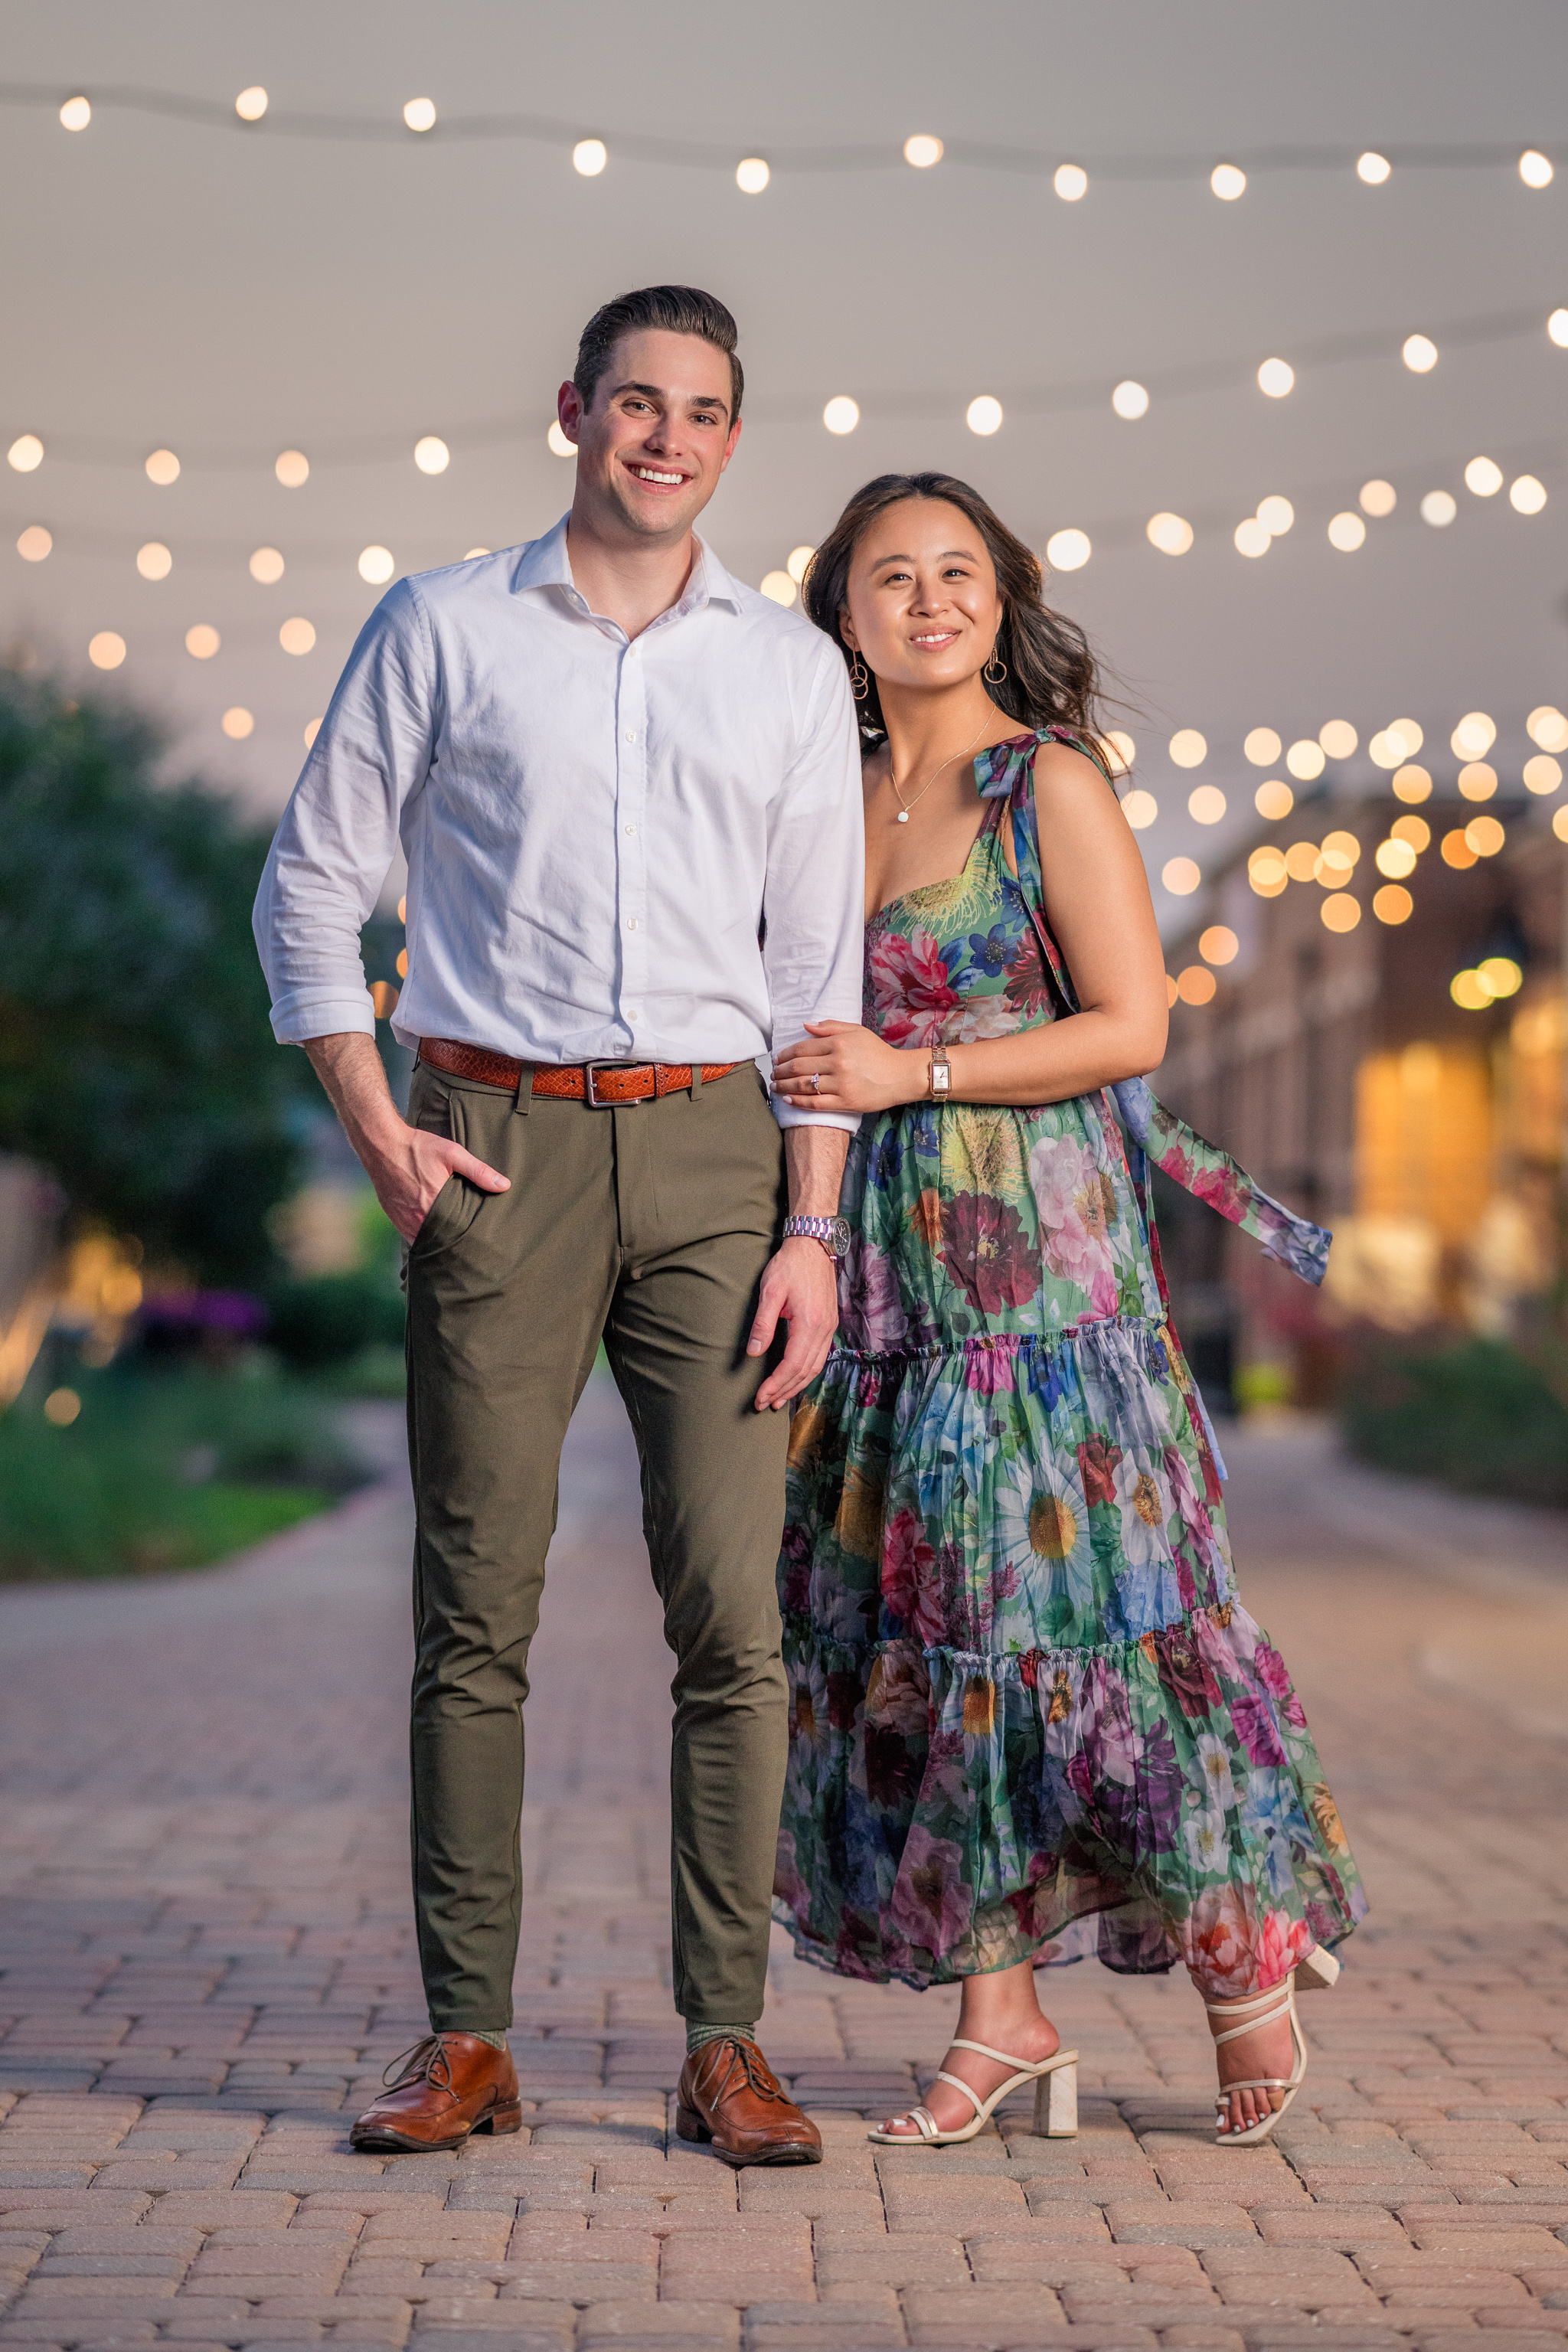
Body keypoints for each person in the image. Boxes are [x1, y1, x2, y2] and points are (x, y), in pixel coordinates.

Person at [253, 286, 867, 2167]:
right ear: (573, 412)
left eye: (701, 411)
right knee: (474, 1615)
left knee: (732, 1624)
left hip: (714, 1159)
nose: (665, 437)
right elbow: (309, 888)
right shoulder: (440, 625)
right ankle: (466, 2039)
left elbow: (814, 980)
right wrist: (378, 1131)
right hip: (489, 1143)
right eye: (635, 402)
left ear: (731, 440)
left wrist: (814, 1230)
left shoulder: (786, 669)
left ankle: (724, 2044)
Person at [769, 472, 1365, 2149]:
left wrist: (913, 1071)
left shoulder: (1046, 782)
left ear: (1002, 597)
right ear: (842, 613)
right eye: (894, 576)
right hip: (884, 1277)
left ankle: (1240, 1955)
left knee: (1091, 1618)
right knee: (924, 1640)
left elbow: (1131, 1027)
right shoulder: (818, 795)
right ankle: (1003, 2016)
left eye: (958, 571)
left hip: (1044, 1288)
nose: (930, 601)